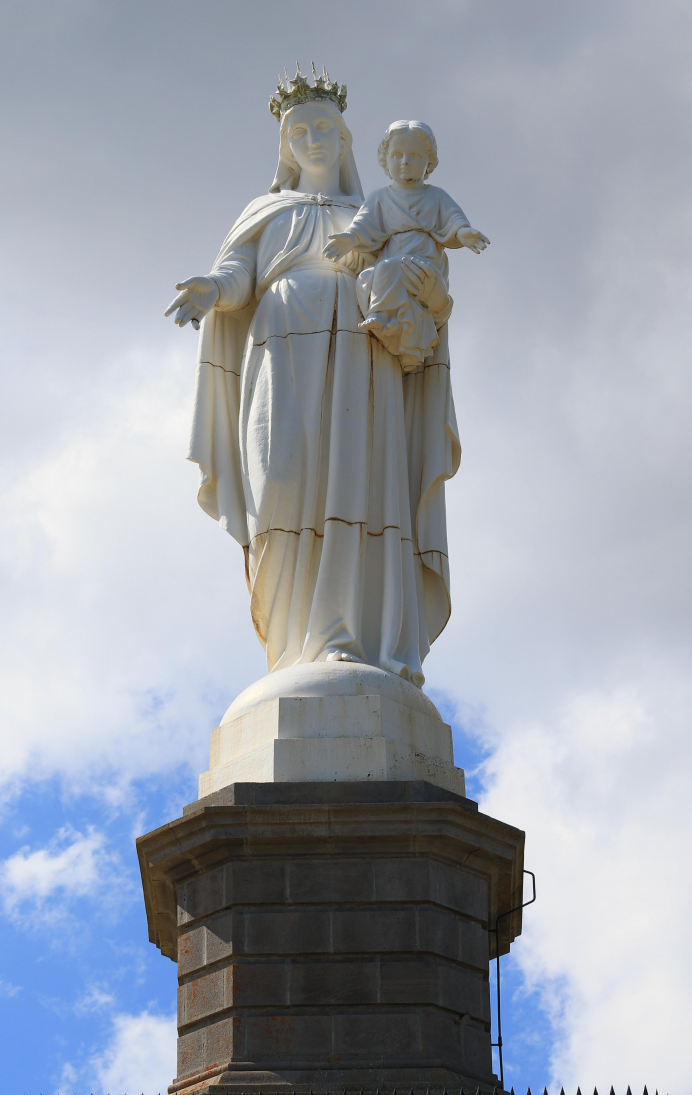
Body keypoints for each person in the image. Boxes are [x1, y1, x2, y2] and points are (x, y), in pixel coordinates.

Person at [165, 70, 461, 688]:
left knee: (360, 486)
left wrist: (430, 294)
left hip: (363, 358)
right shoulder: (264, 211)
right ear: (285, 145)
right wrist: (210, 289)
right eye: (300, 130)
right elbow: (238, 274)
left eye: (325, 125)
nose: (313, 138)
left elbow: (423, 284)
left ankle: (353, 639)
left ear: (348, 138)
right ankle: (295, 647)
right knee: (280, 482)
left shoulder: (375, 212)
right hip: (281, 352)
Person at [323, 120, 489, 371]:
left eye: (415, 155)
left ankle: (380, 316)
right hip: (393, 260)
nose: (405, 161)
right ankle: (402, 342)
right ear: (386, 159)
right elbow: (364, 224)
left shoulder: (436, 196)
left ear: (428, 162)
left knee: (393, 275)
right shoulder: (380, 197)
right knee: (373, 277)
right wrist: (350, 239)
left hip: (425, 263)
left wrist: (464, 234)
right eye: (397, 155)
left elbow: (454, 219)